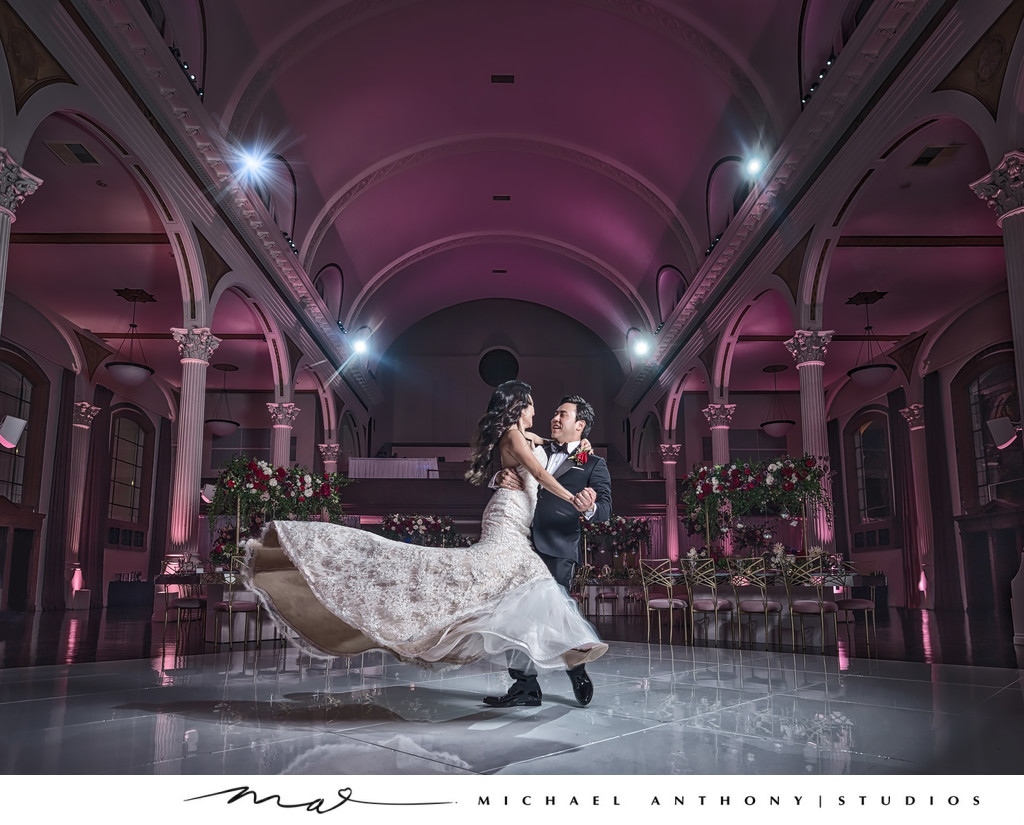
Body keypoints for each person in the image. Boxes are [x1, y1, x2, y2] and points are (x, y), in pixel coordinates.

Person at [242, 380, 608, 681]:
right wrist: (569, 494)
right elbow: (541, 474)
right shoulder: (514, 435)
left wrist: (582, 447)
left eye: (560, 413)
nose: (540, 412)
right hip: (508, 519)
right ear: (517, 407)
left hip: (535, 532)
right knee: (509, 579)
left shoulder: (538, 440)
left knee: (508, 584)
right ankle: (564, 661)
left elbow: (551, 451)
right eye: (531, 405)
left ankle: (570, 658)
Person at [481, 393, 612, 708]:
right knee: (513, 615)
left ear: (580, 425)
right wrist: (497, 477)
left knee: (554, 614)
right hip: (519, 542)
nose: (555, 417)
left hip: (557, 548)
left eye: (563, 414)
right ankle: (525, 686)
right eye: (554, 412)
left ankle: (576, 668)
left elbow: (606, 508)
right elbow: (512, 465)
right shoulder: (535, 447)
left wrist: (591, 506)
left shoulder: (592, 462)